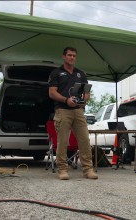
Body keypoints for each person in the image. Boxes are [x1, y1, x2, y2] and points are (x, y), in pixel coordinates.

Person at [48, 46, 98, 180]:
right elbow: (52, 92)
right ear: (63, 57)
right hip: (63, 110)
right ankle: (62, 170)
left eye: (74, 56)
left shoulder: (81, 74)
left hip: (78, 111)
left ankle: (88, 170)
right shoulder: (56, 73)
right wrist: (66, 100)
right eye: (69, 55)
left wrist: (84, 101)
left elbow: (87, 93)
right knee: (63, 142)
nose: (72, 58)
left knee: (85, 141)